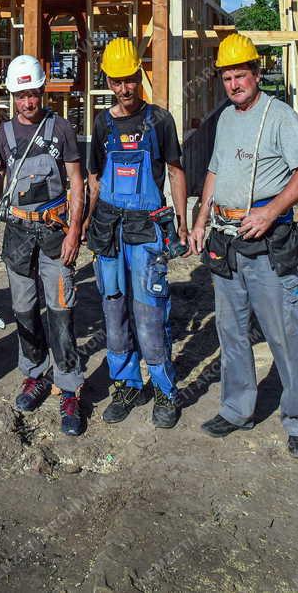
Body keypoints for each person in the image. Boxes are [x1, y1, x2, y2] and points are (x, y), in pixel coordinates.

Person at [190, 33, 298, 459]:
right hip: (226, 242)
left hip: (266, 243)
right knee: (231, 332)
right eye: (227, 78)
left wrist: (270, 211)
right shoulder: (226, 118)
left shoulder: (278, 116)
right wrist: (201, 218)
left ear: (257, 74)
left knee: (284, 335)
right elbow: (213, 171)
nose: (233, 84)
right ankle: (237, 408)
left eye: (240, 75)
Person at [85, 37, 188, 429]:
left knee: (149, 315)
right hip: (109, 229)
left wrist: (180, 221)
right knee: (113, 311)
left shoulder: (159, 120)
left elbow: (176, 173)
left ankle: (164, 389)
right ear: (108, 81)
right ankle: (126, 384)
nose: (124, 89)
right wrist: (85, 226)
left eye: (129, 80)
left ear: (138, 75)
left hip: (146, 230)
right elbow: (94, 179)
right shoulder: (102, 123)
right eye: (116, 82)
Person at [0, 55, 85, 435]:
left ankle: (70, 385)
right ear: (13, 96)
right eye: (21, 96)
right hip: (18, 234)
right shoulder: (5, 134)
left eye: (33, 94)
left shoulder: (60, 129)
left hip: (56, 233)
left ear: (43, 90)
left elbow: (76, 182)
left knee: (60, 311)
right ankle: (35, 373)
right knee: (24, 310)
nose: (28, 102)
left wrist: (75, 230)